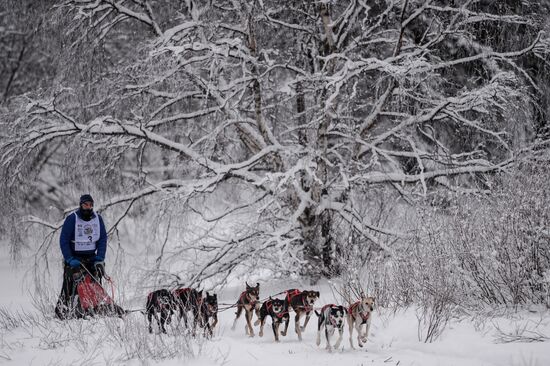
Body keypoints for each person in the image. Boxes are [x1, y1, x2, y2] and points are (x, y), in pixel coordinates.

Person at [54, 194, 108, 319]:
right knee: (70, 286)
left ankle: (92, 309)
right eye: (85, 205)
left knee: (94, 285)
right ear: (80, 205)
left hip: (92, 258)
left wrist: (100, 257)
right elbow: (63, 240)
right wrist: (69, 258)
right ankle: (63, 311)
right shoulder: (72, 219)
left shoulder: (98, 219)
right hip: (74, 258)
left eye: (90, 205)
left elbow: (102, 239)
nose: (88, 207)